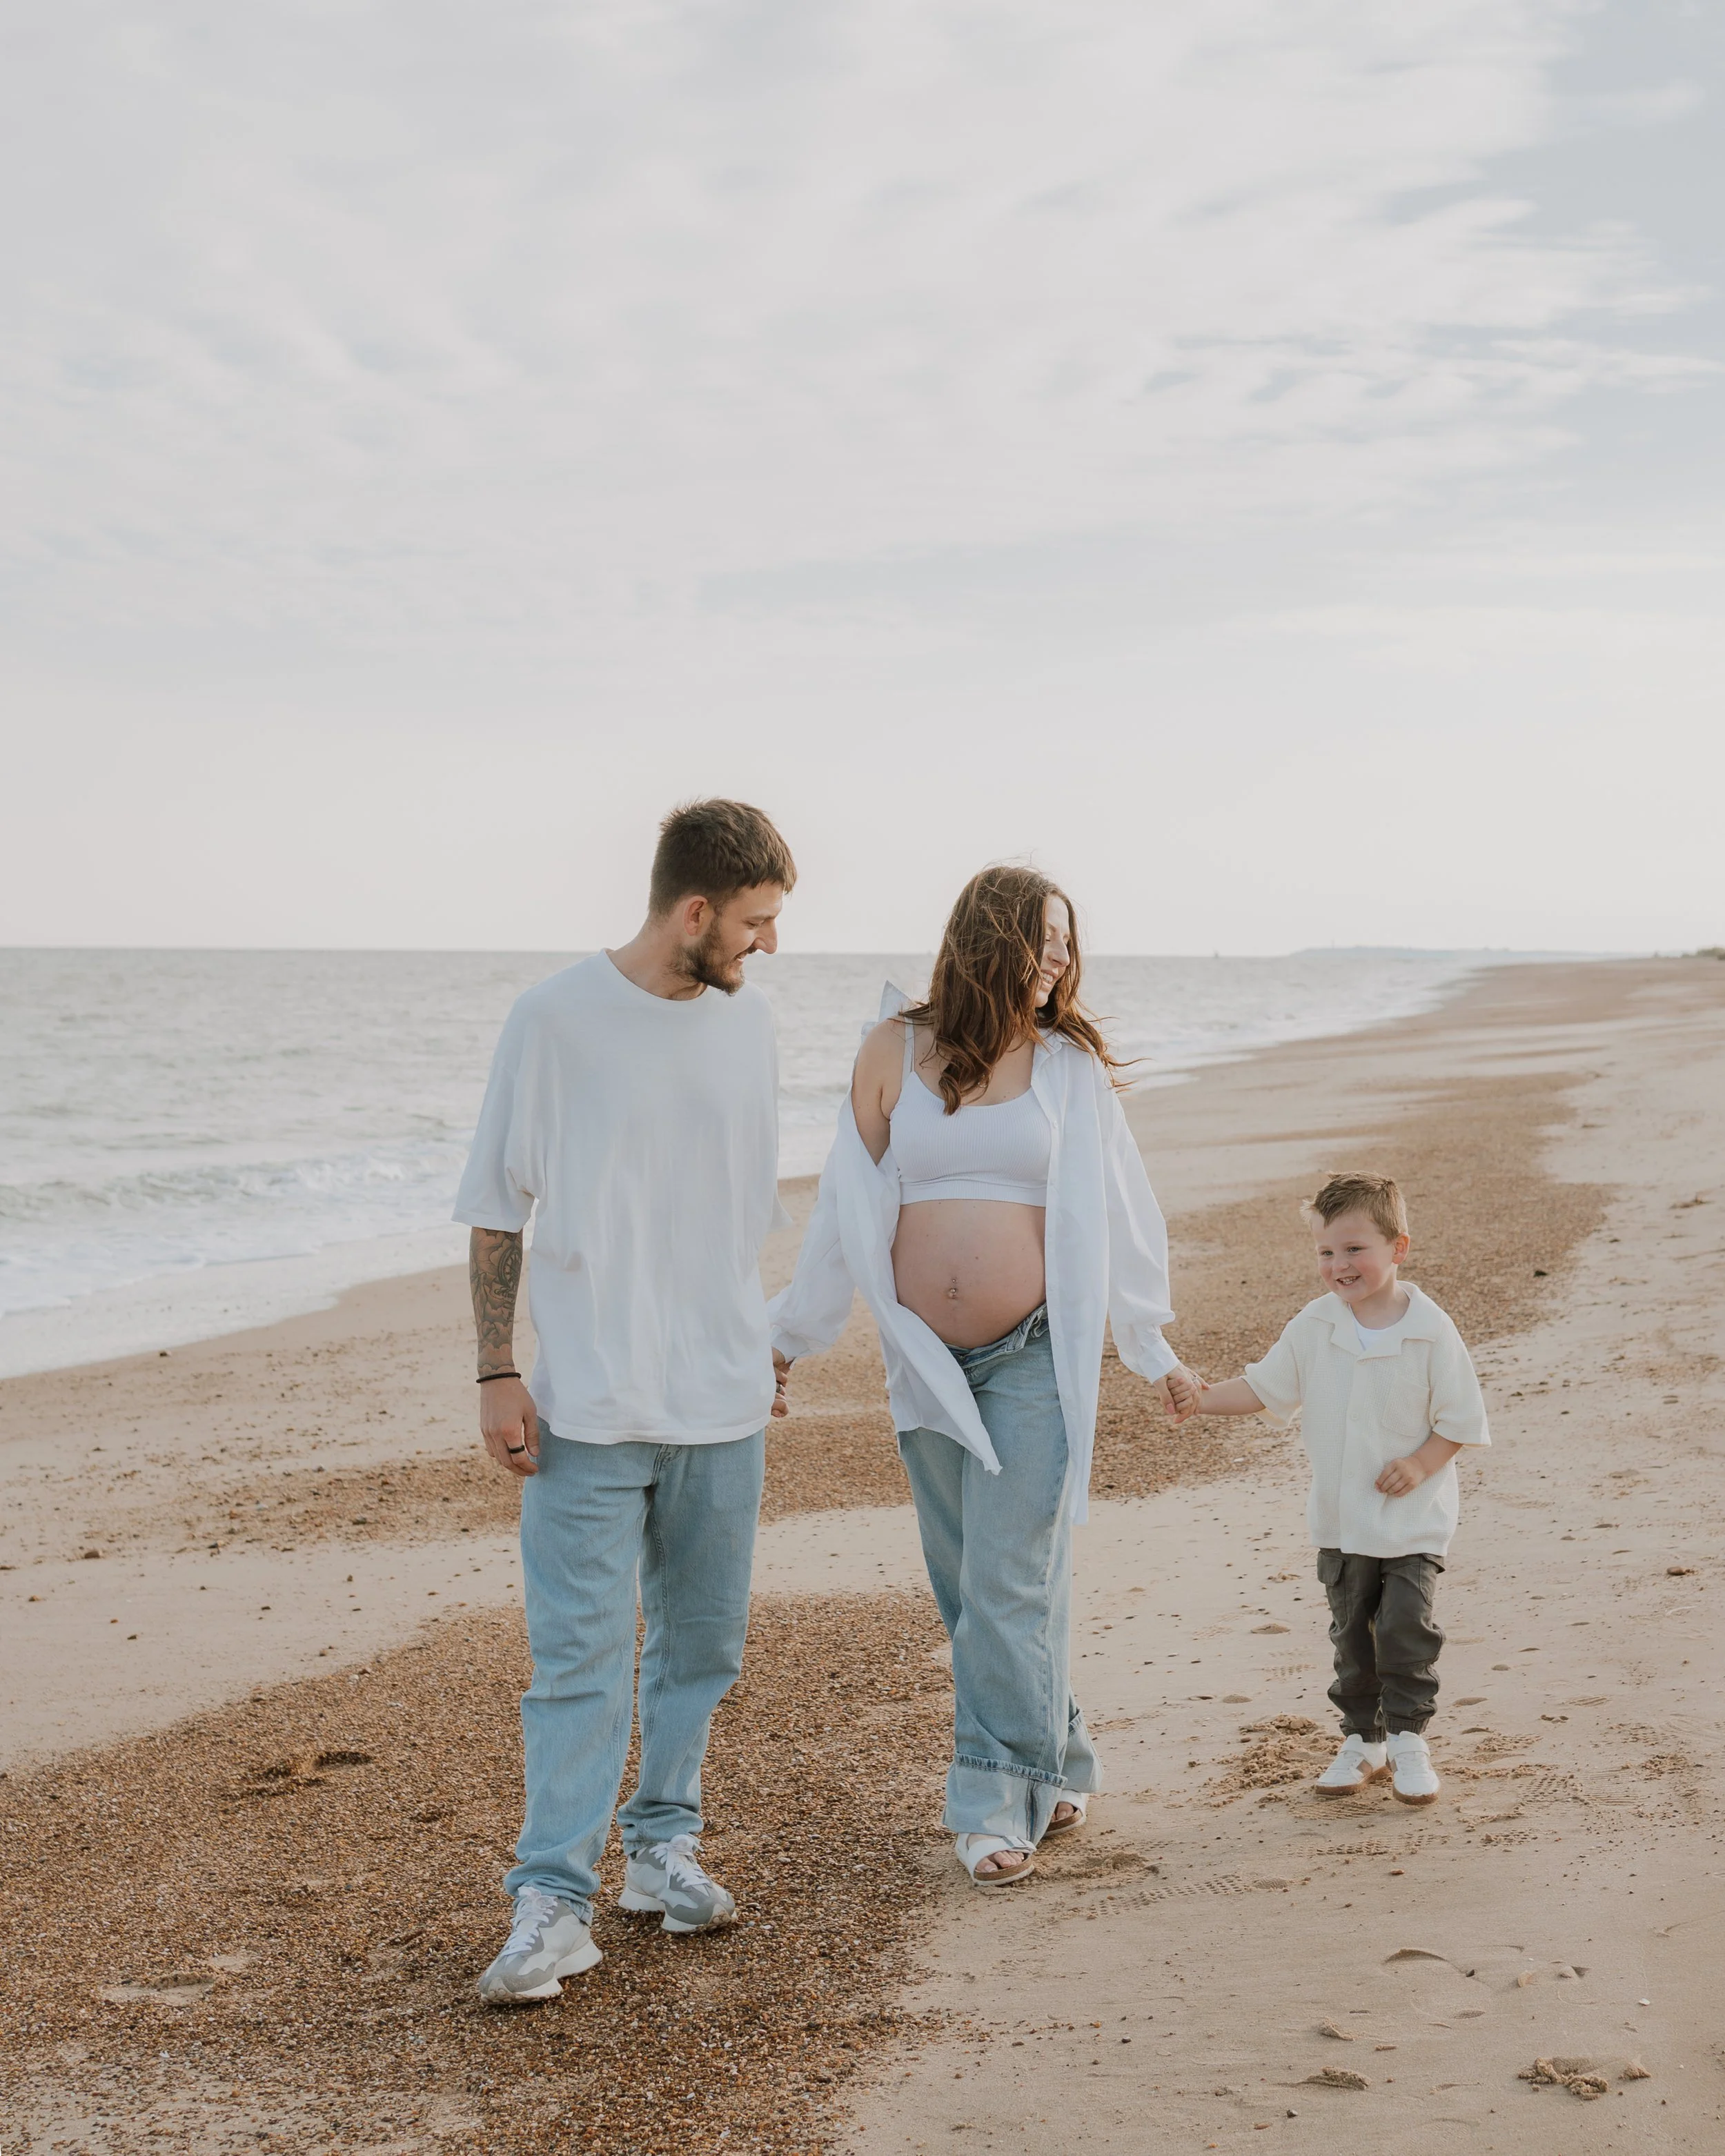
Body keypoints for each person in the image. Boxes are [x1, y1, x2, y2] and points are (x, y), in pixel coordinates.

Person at [770, 865, 1201, 1886]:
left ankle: (989, 1802)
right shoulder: (892, 1051)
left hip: (1035, 1352)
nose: (1059, 958)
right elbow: (843, 1209)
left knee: (1008, 1581)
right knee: (974, 1588)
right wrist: (787, 1338)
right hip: (926, 1360)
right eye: (1044, 938)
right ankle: (1063, 1753)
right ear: (990, 938)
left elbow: (1124, 1211)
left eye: (1067, 943)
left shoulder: (1066, 1070)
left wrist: (1152, 1346)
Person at [455, 799, 797, 2004]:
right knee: (579, 1662)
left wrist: (763, 1345)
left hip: (721, 1397)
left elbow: (735, 1205)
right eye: (752, 925)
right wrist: (498, 1368)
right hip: (589, 1402)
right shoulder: (555, 1019)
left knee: (700, 1649)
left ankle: (660, 1851)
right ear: (693, 910)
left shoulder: (750, 1030)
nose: (762, 949)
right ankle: (550, 1900)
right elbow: (500, 1200)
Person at [1170, 1171, 1490, 1806]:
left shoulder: (1430, 1329)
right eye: (1326, 1252)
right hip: (1342, 1521)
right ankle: (1363, 1739)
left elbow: (1461, 1419)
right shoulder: (1316, 1325)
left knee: (1404, 1626)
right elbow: (1265, 1389)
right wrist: (1200, 1400)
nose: (1339, 1265)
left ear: (1398, 1248)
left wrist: (1422, 1464)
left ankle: (1407, 1739)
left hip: (1411, 1519)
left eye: (1354, 1249)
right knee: (1351, 1632)